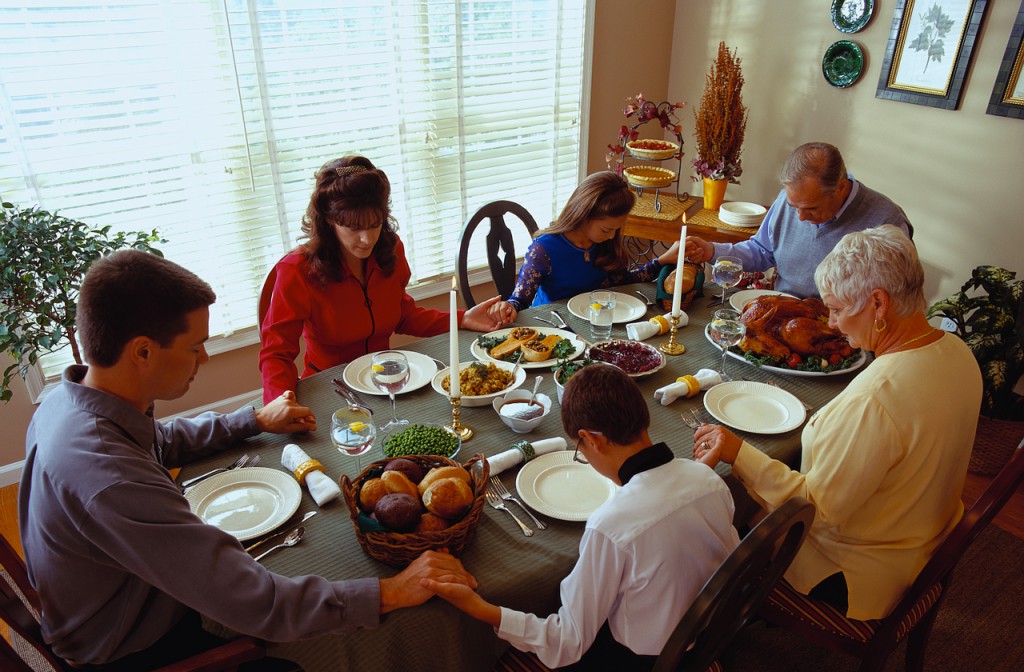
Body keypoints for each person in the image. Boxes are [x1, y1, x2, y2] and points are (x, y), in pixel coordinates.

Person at [20, 249, 476, 672]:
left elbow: (160, 440)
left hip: (111, 605)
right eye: (196, 345)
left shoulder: (68, 400)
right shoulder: (109, 480)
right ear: (142, 351)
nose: (204, 356)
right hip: (134, 658)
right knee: (355, 623)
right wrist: (393, 591)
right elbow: (259, 603)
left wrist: (254, 419)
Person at [692, 226, 982, 621]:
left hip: (858, 570)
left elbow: (813, 509)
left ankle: (711, 628)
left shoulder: (876, 398)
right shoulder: (955, 351)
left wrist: (736, 452)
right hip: (922, 538)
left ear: (879, 304)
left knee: (717, 515)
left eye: (839, 309)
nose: (832, 323)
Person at [422, 364, 739, 672]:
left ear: (590, 439)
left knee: (541, 615)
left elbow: (567, 644)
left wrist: (479, 608)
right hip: (708, 629)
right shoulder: (707, 477)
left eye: (579, 448)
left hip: (641, 667)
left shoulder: (612, 524)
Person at [259, 155, 505, 404]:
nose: (367, 239)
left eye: (375, 224)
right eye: (354, 228)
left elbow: (402, 315)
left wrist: (461, 318)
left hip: (387, 381)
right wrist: (280, 401)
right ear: (329, 221)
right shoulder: (297, 270)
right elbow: (276, 353)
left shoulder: (392, 249)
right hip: (330, 388)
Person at [685, 142, 912, 300]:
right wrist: (712, 251)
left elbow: (893, 298)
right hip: (782, 312)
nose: (801, 218)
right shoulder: (788, 199)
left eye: (811, 208)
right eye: (795, 208)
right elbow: (762, 251)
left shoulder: (886, 220)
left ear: (841, 187)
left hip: (844, 331)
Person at [491, 171, 681, 323]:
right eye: (607, 228)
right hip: (553, 324)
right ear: (584, 215)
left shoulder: (605, 242)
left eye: (617, 229)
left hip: (597, 322)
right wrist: (507, 306)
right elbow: (520, 300)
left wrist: (662, 261)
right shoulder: (544, 250)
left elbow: (625, 281)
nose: (613, 235)